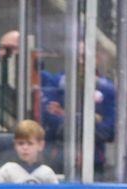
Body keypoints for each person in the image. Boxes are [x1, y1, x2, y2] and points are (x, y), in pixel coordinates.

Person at [40, 44, 115, 176]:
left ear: (96, 58)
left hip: (95, 161)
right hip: (57, 159)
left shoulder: (108, 88)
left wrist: (65, 114)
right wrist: (93, 118)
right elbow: (51, 123)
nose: (80, 61)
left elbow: (108, 131)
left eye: (84, 57)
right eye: (77, 56)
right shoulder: (55, 82)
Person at [0, 120, 58, 184]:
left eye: (30, 143)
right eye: (20, 143)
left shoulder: (47, 173)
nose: (25, 148)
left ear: (40, 145)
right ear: (15, 145)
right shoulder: (7, 171)